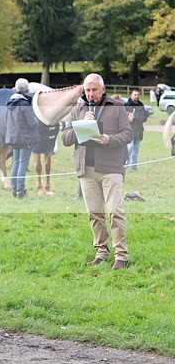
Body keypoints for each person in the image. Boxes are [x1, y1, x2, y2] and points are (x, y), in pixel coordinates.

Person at [62, 74, 132, 270]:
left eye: (94, 89)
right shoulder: (78, 109)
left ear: (103, 89)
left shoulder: (116, 107)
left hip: (111, 168)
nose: (90, 94)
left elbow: (128, 134)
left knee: (115, 212)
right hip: (86, 170)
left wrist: (109, 139)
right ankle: (101, 252)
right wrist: (82, 125)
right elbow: (66, 138)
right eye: (87, 90)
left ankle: (121, 255)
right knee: (95, 213)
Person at [5, 78, 38, 199]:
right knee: (22, 164)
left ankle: (14, 189)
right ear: (27, 90)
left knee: (16, 163)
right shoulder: (25, 104)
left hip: (13, 137)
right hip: (25, 138)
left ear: (16, 88)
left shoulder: (9, 102)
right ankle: (20, 191)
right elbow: (32, 123)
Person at [124, 89, 149, 170]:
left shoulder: (141, 106)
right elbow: (121, 116)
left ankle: (133, 166)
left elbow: (145, 118)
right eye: (135, 95)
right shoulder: (126, 105)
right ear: (131, 96)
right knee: (129, 148)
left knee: (136, 149)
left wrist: (138, 117)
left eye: (138, 95)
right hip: (130, 130)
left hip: (139, 131)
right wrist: (128, 116)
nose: (136, 96)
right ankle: (124, 165)